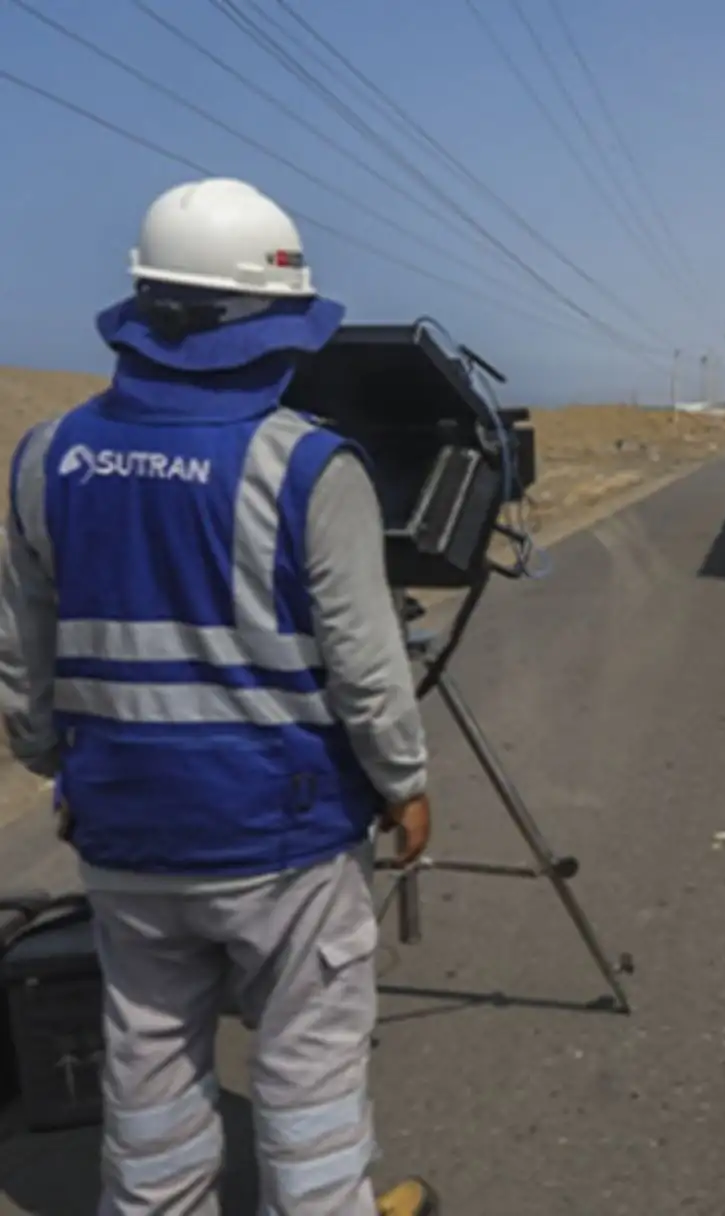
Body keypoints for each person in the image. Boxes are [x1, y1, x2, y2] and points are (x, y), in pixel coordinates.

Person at [0, 178, 440, 1215]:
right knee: (308, 1074)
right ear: (262, 327)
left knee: (146, 1068)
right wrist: (406, 783)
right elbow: (368, 669)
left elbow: (26, 665)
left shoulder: (45, 458)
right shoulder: (310, 467)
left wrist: (63, 768)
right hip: (283, 838)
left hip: (126, 835)